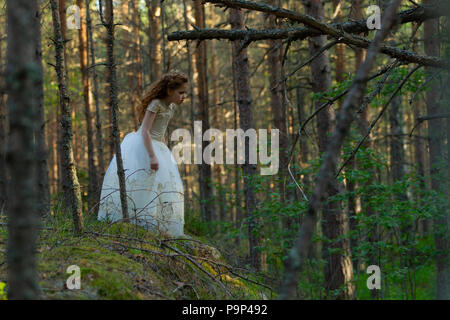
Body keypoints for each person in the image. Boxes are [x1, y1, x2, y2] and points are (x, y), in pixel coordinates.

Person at [98, 70, 188, 237]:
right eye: (180, 92)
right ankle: (137, 221)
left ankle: (158, 223)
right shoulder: (156, 104)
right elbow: (145, 130)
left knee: (161, 184)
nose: (183, 96)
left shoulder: (171, 106)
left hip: (159, 146)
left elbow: (160, 130)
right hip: (143, 145)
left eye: (184, 93)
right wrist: (152, 155)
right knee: (141, 181)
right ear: (169, 91)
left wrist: (162, 148)